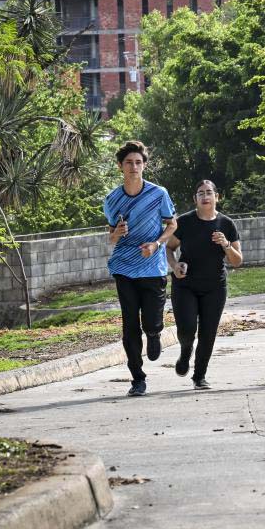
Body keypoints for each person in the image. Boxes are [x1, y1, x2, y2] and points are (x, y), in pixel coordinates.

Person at [104, 141, 177, 397]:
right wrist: (117, 234)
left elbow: (172, 225)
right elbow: (110, 237)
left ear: (144, 165)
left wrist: (156, 244)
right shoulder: (112, 199)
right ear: (120, 167)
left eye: (138, 162)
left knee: (151, 320)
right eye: (128, 163)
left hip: (153, 267)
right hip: (124, 267)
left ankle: (155, 332)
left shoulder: (159, 193)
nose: (134, 167)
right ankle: (137, 378)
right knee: (129, 326)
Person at [166, 180, 243, 390]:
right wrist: (175, 266)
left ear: (217, 197)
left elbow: (237, 261)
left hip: (215, 286)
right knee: (187, 329)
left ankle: (199, 376)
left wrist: (226, 244)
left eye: (209, 192)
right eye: (201, 193)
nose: (205, 196)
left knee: (208, 333)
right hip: (185, 285)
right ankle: (185, 350)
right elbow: (169, 248)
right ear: (195, 199)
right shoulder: (184, 222)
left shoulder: (226, 224)